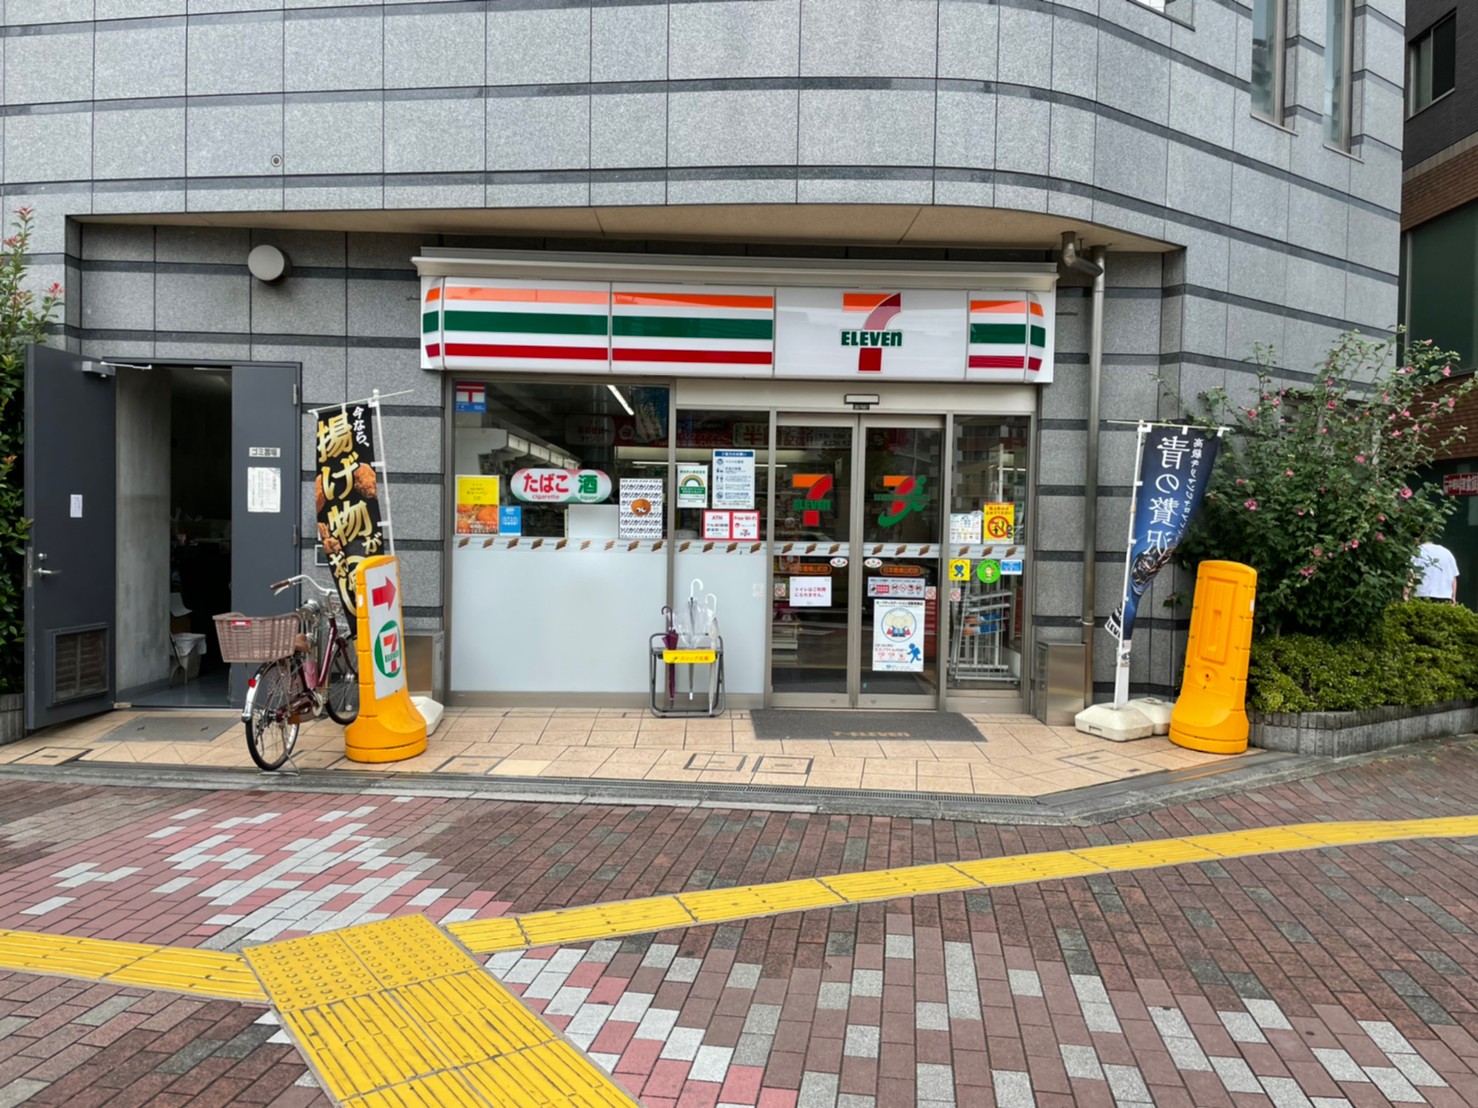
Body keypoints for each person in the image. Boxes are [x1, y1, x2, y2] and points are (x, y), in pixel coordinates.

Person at [1409, 539, 1460, 603]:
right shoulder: (1447, 552)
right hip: (1445, 595)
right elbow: (1453, 577)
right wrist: (1453, 597)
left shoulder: (1417, 552)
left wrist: (1406, 594)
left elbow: (1410, 574)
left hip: (1421, 594)